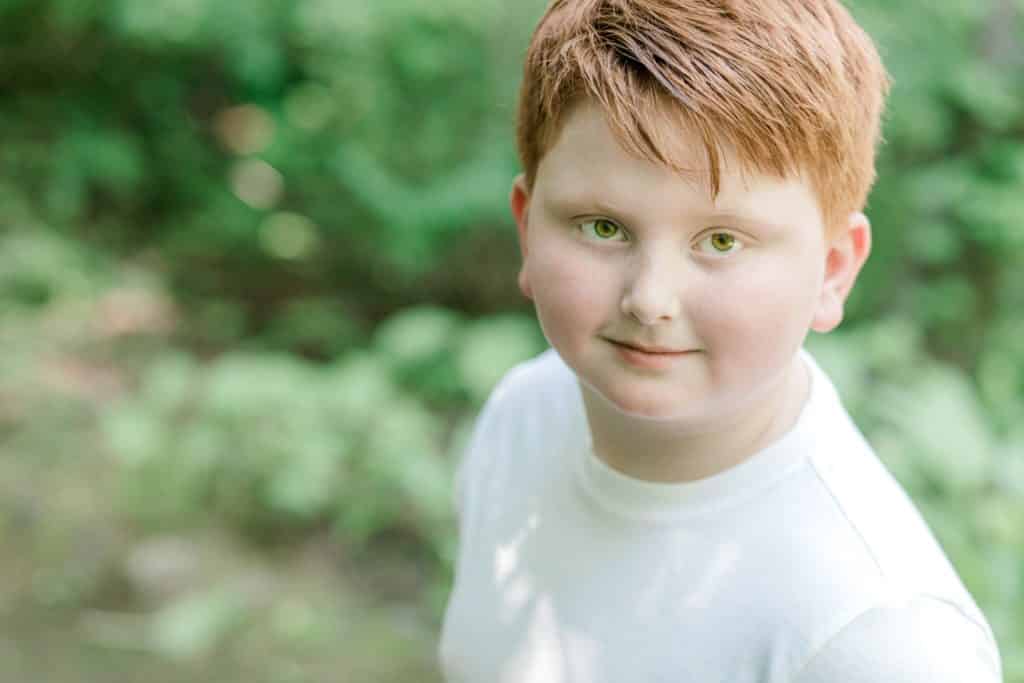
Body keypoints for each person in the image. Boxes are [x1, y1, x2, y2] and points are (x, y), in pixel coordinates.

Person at [439, 1, 1003, 680]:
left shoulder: (879, 638)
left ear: (832, 270)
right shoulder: (522, 417)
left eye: (722, 240)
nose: (649, 298)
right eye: (602, 227)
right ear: (529, 231)